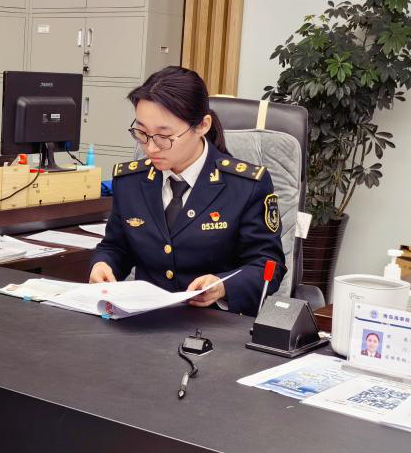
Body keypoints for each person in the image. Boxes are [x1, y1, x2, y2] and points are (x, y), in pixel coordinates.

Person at [89, 66, 285, 316]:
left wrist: (223, 286)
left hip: (215, 324)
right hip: (144, 321)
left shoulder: (246, 185)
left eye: (164, 136)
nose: (151, 148)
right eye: (142, 133)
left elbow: (268, 265)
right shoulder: (130, 181)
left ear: (202, 125)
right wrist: (103, 264)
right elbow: (116, 247)